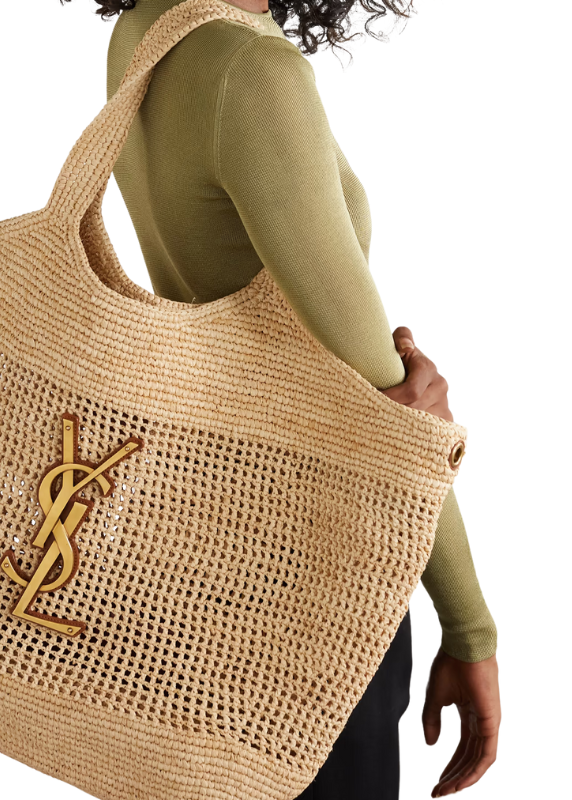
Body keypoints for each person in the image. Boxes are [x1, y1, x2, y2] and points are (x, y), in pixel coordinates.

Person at [68, 0, 501, 796]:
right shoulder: (254, 74)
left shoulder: (147, 29)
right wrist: (471, 629)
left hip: (195, 548)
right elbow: (392, 416)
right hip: (317, 573)